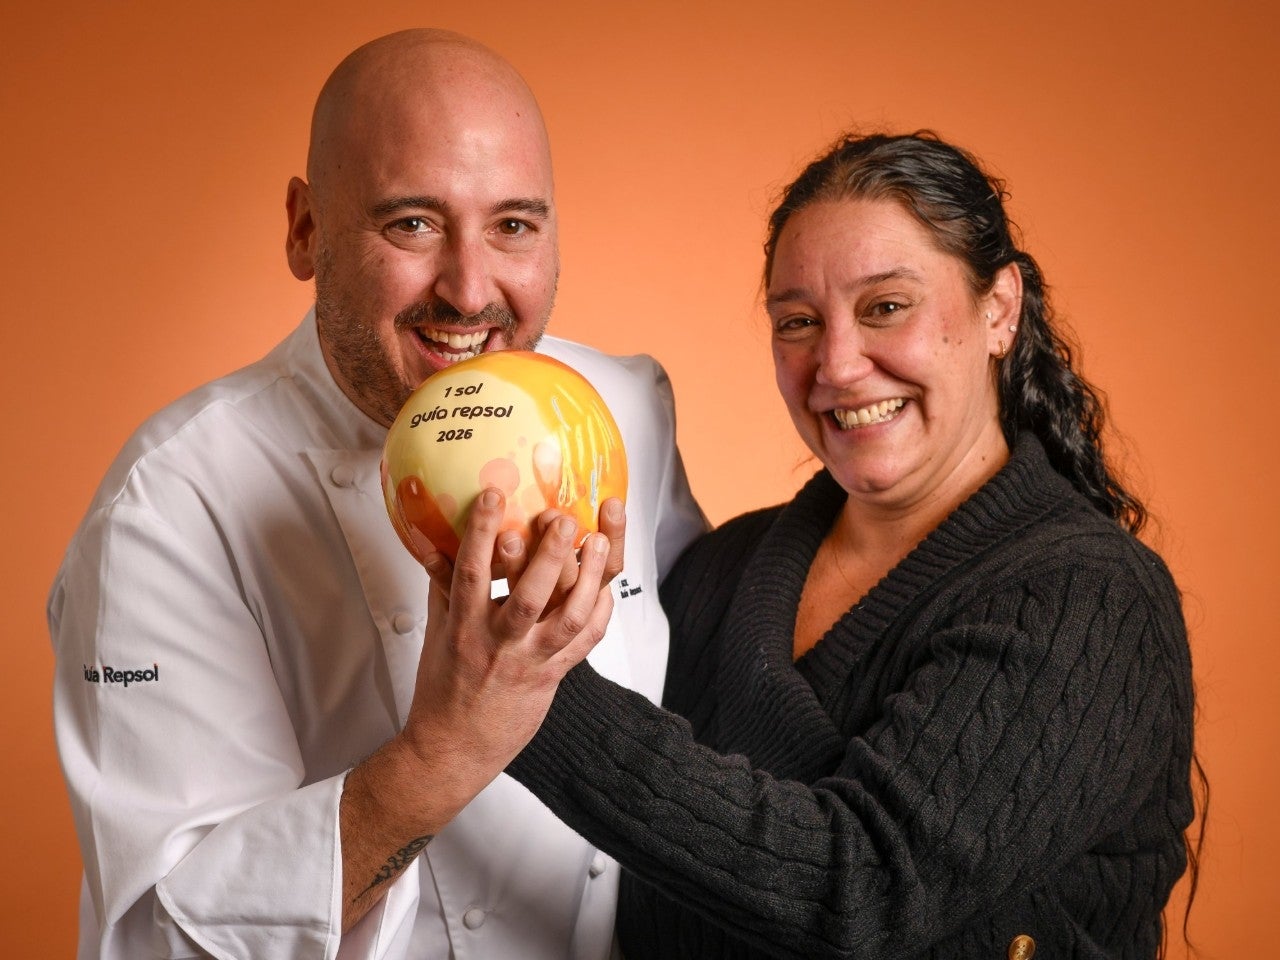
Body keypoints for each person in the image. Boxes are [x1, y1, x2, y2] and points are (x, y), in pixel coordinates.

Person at [438, 131, 1196, 958]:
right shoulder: (720, 572)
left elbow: (863, 890)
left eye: (886, 307)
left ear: (1000, 310)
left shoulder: (1089, 601)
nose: (834, 364)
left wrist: (524, 694)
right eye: (798, 321)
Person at [49, 29, 705, 960]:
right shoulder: (168, 507)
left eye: (513, 224)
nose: (472, 290)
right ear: (306, 228)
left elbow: (722, 668)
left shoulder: (626, 411)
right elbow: (163, 940)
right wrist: (445, 752)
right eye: (413, 223)